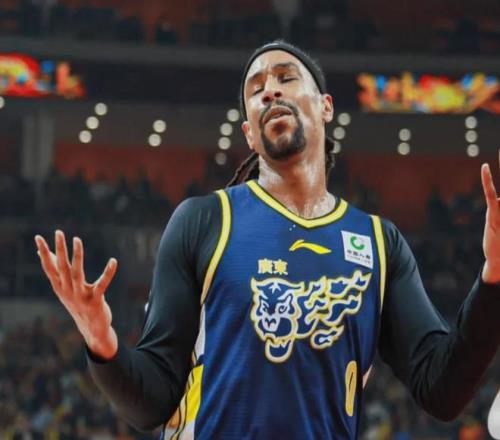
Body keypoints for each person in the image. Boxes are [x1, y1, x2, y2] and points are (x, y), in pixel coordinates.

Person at [35, 41, 500, 439]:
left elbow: (443, 389)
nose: (269, 90)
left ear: (325, 106)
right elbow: (151, 403)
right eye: (255, 89)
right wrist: (102, 342)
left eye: (285, 77)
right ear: (250, 136)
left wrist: (494, 275)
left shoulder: (379, 243)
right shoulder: (204, 221)